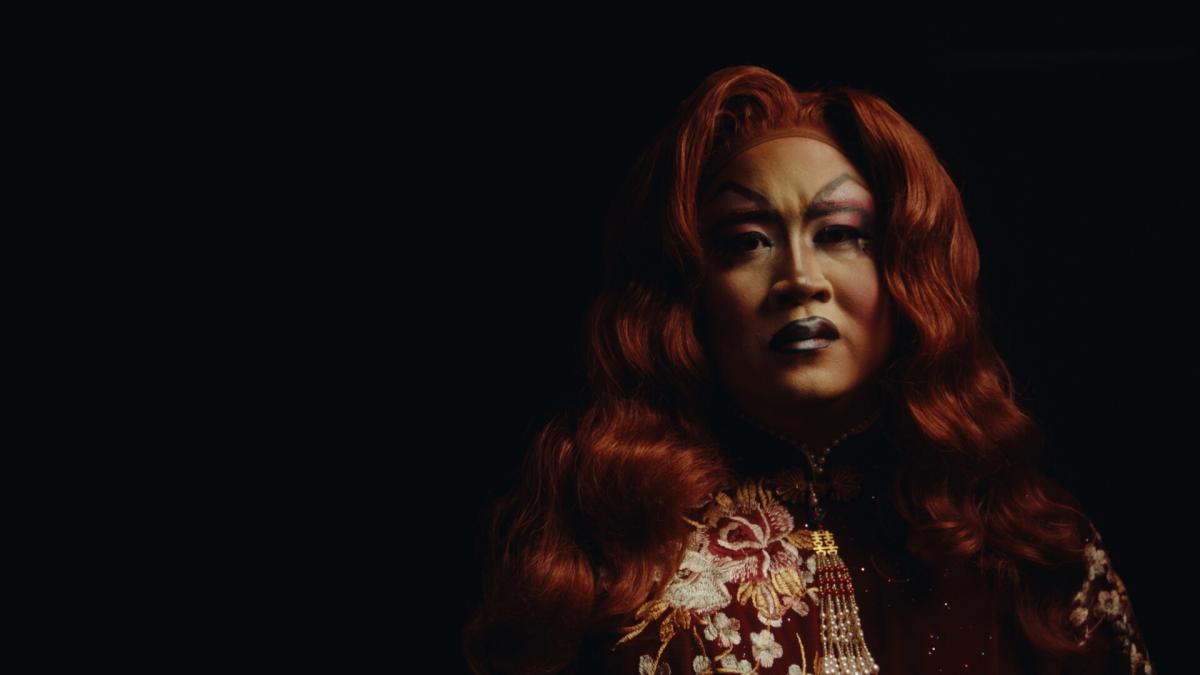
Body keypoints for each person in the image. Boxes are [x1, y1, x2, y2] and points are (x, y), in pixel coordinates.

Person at [461, 65, 1155, 674]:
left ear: (906, 272)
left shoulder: (1031, 554)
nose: (798, 277)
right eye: (746, 242)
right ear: (690, 292)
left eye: (842, 236)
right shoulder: (600, 554)